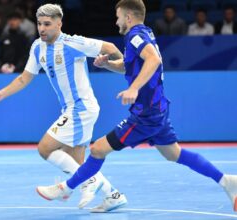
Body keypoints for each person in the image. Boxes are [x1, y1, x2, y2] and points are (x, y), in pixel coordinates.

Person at [36, 0, 237, 213]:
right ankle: (227, 181)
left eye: (118, 17)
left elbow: (153, 59)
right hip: (158, 109)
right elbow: (128, 66)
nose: (116, 22)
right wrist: (107, 64)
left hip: (145, 114)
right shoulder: (144, 33)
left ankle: (66, 188)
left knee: (97, 149)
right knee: (173, 154)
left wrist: (134, 89)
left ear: (128, 17)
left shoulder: (135, 36)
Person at [0, 3, 127, 210]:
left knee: (45, 148)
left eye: (47, 24)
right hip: (74, 109)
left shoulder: (72, 43)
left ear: (59, 24)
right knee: (76, 162)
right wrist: (3, 93)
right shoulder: (37, 47)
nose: (42, 28)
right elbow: (25, 78)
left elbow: (111, 48)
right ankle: (113, 195)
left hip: (81, 108)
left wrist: (124, 67)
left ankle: (89, 183)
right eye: (39, 23)